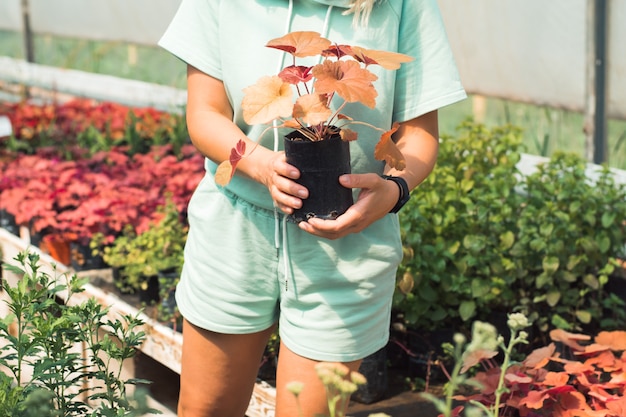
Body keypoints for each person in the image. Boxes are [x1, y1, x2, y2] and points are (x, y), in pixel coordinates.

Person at [158, 1, 466, 416]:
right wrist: (262, 166)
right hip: (235, 231)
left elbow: (420, 136)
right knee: (205, 408)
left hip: (350, 242)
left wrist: (395, 189)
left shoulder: (402, 5)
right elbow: (204, 113)